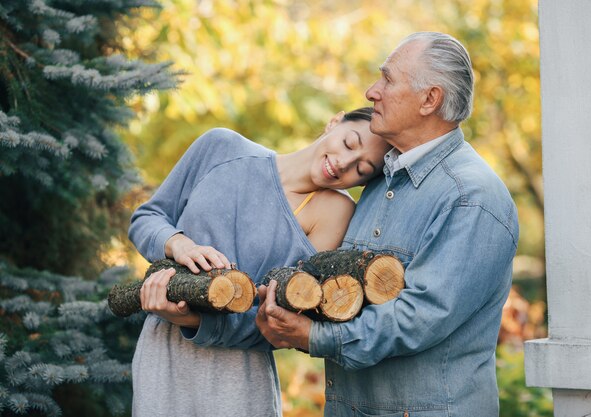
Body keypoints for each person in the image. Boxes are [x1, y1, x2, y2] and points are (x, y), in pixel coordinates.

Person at [256, 32, 519, 417]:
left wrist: (318, 338)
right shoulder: (380, 182)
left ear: (429, 100)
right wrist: (287, 311)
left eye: (387, 80)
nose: (370, 92)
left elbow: (421, 317)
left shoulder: (472, 197)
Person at [128, 106, 391, 417]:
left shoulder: (334, 212)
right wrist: (177, 243)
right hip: (163, 355)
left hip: (238, 376)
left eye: (362, 169)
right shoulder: (220, 147)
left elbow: (279, 319)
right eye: (350, 143)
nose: (345, 163)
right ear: (335, 121)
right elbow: (147, 218)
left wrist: (193, 321)